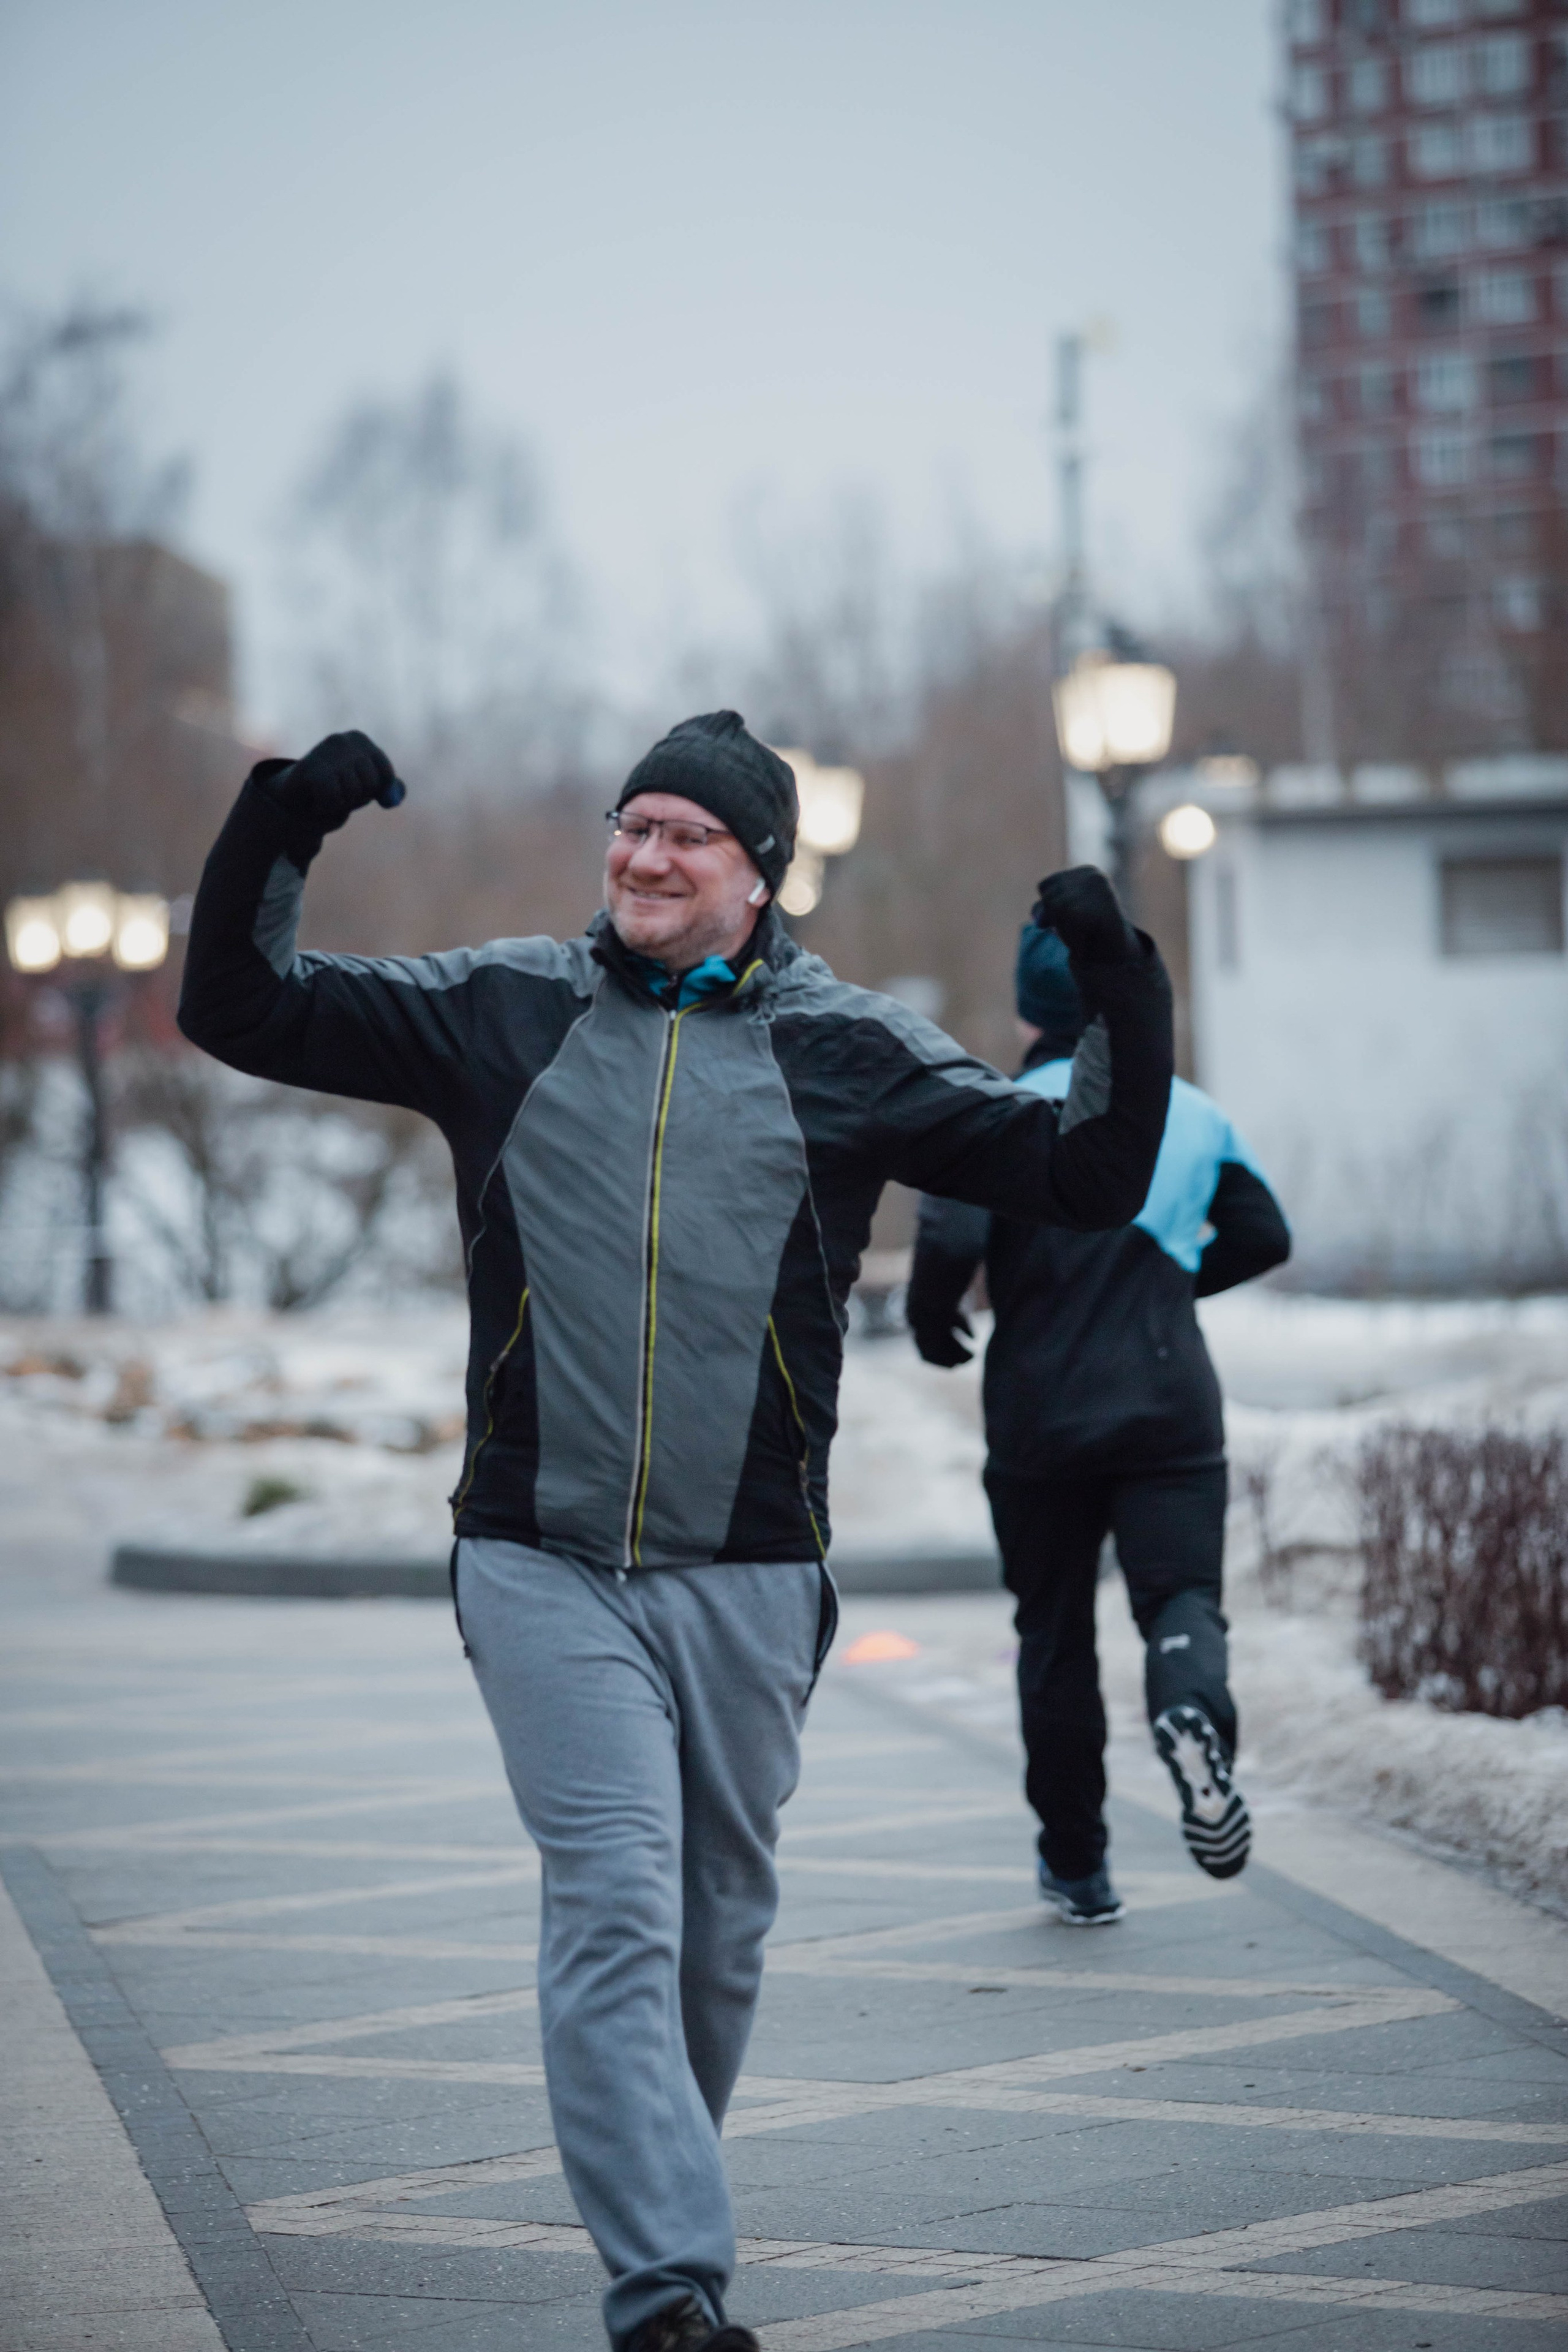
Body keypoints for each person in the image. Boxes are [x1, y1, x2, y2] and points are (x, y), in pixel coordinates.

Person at [178, 713, 1174, 2352]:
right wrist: (283, 824)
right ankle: (667, 2296)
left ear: (759, 874)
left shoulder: (850, 1049)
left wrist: (1122, 985)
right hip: (541, 1557)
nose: (644, 856)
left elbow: (1083, 1173)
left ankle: (658, 2210)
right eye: (631, 825)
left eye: (685, 836)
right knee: (619, 1897)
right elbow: (241, 1005)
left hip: (752, 1575)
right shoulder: (501, 1011)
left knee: (716, 1937)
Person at [907, 919, 1290, 1926]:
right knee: (1181, 1602)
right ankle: (1187, 1709)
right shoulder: (1191, 1112)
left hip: (1040, 1414)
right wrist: (1168, 1295)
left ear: (1033, 1010)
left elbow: (947, 1227)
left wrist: (935, 1313)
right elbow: (1265, 1233)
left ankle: (1078, 1866)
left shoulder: (1001, 1110)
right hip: (1170, 1407)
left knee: (1054, 1636)